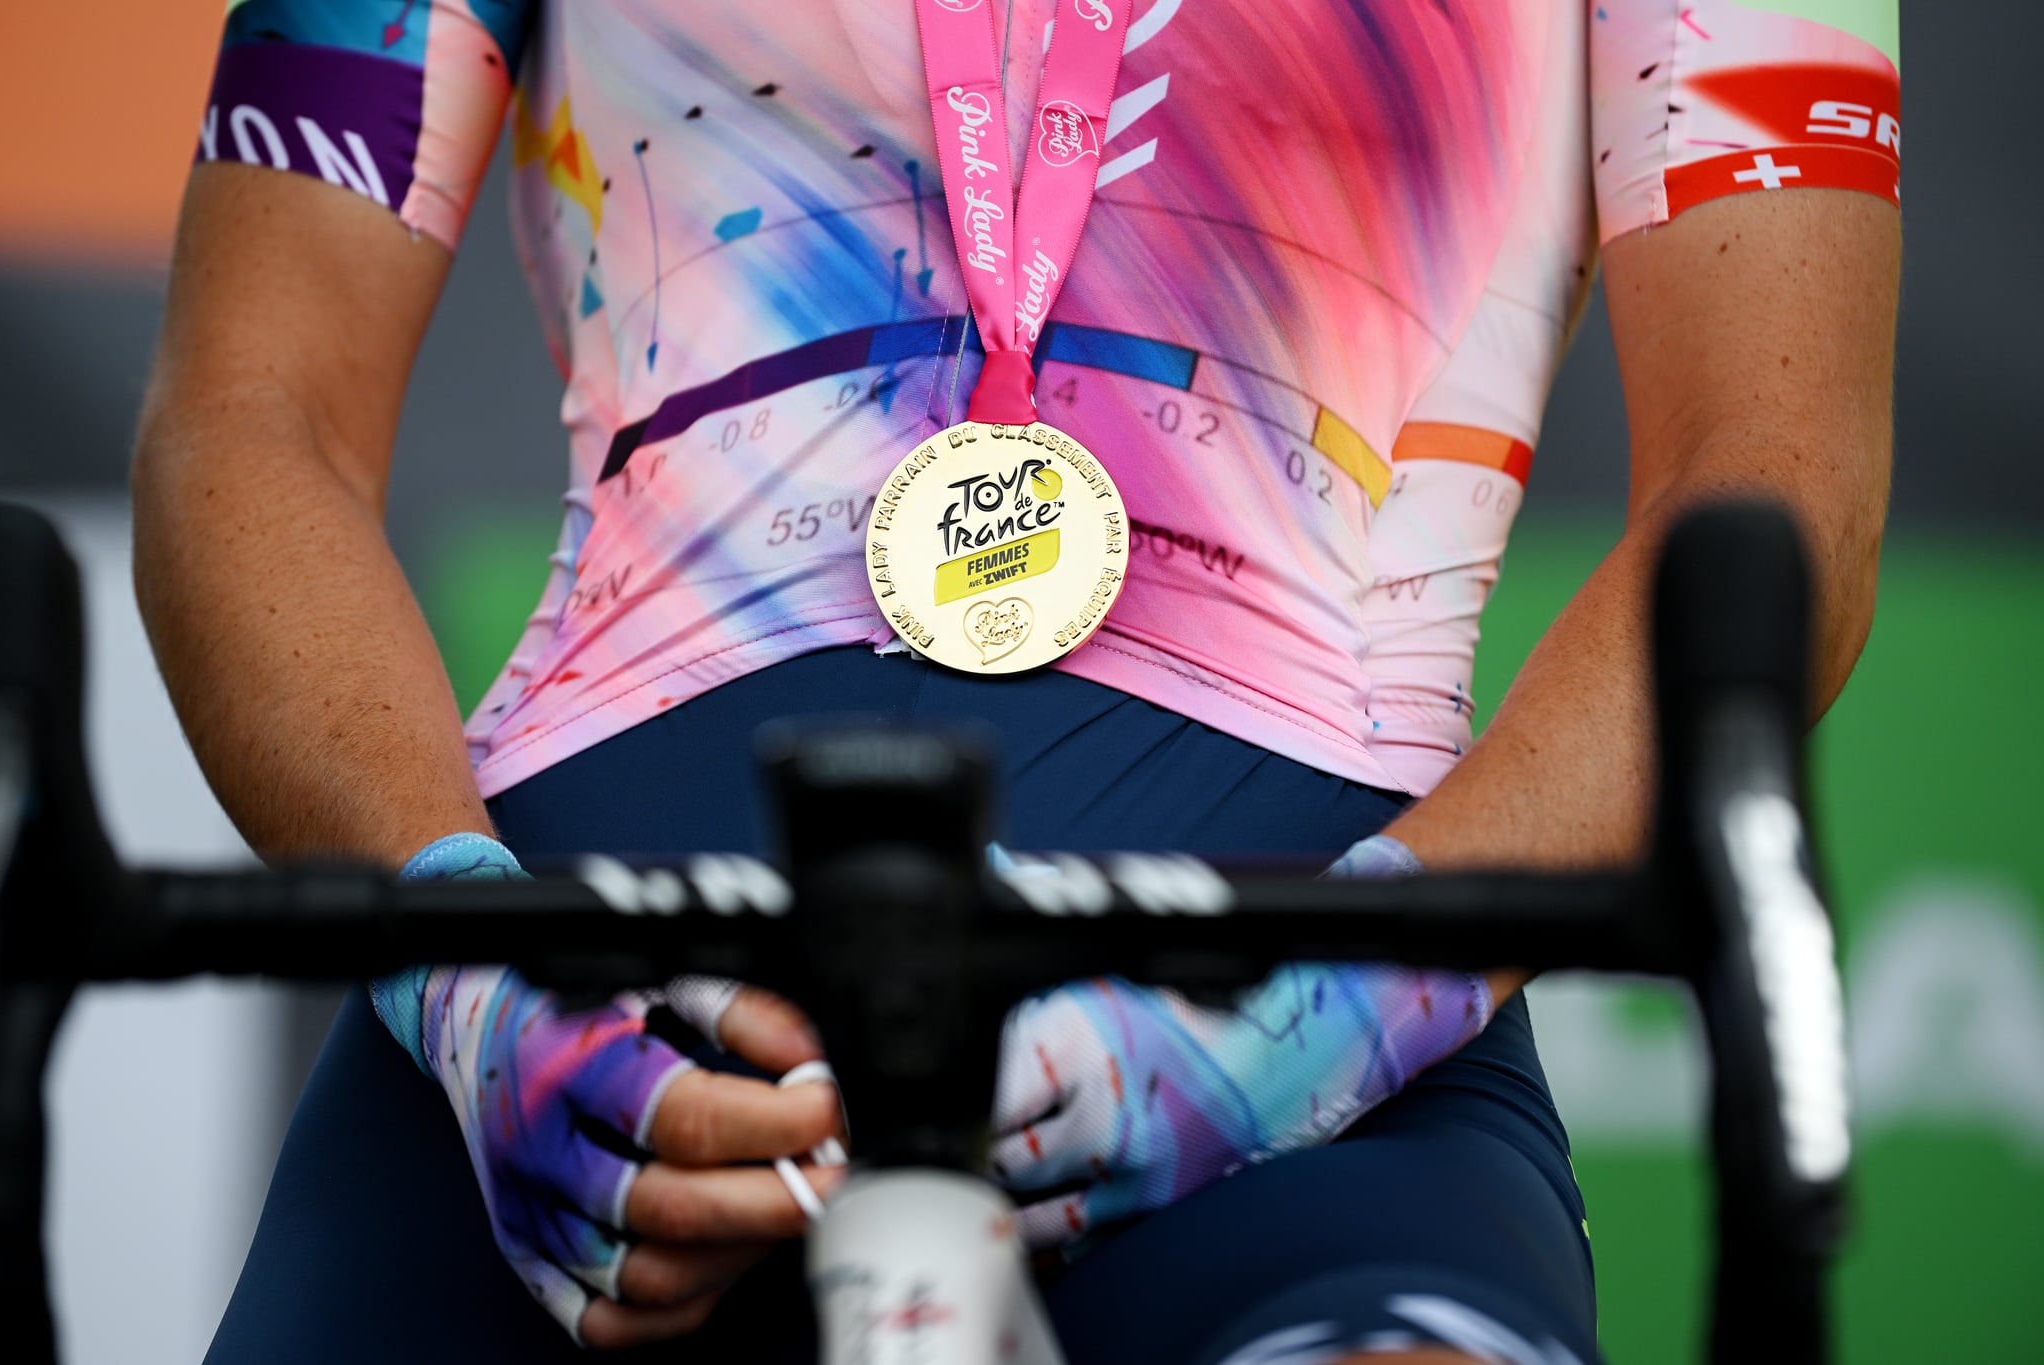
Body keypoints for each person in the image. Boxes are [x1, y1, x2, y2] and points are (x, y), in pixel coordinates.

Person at [133, 1, 1900, 1361]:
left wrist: (1329, 1019)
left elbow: (1774, 485)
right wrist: (460, 972)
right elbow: (245, 420)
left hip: (1311, 1048)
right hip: (575, 1038)